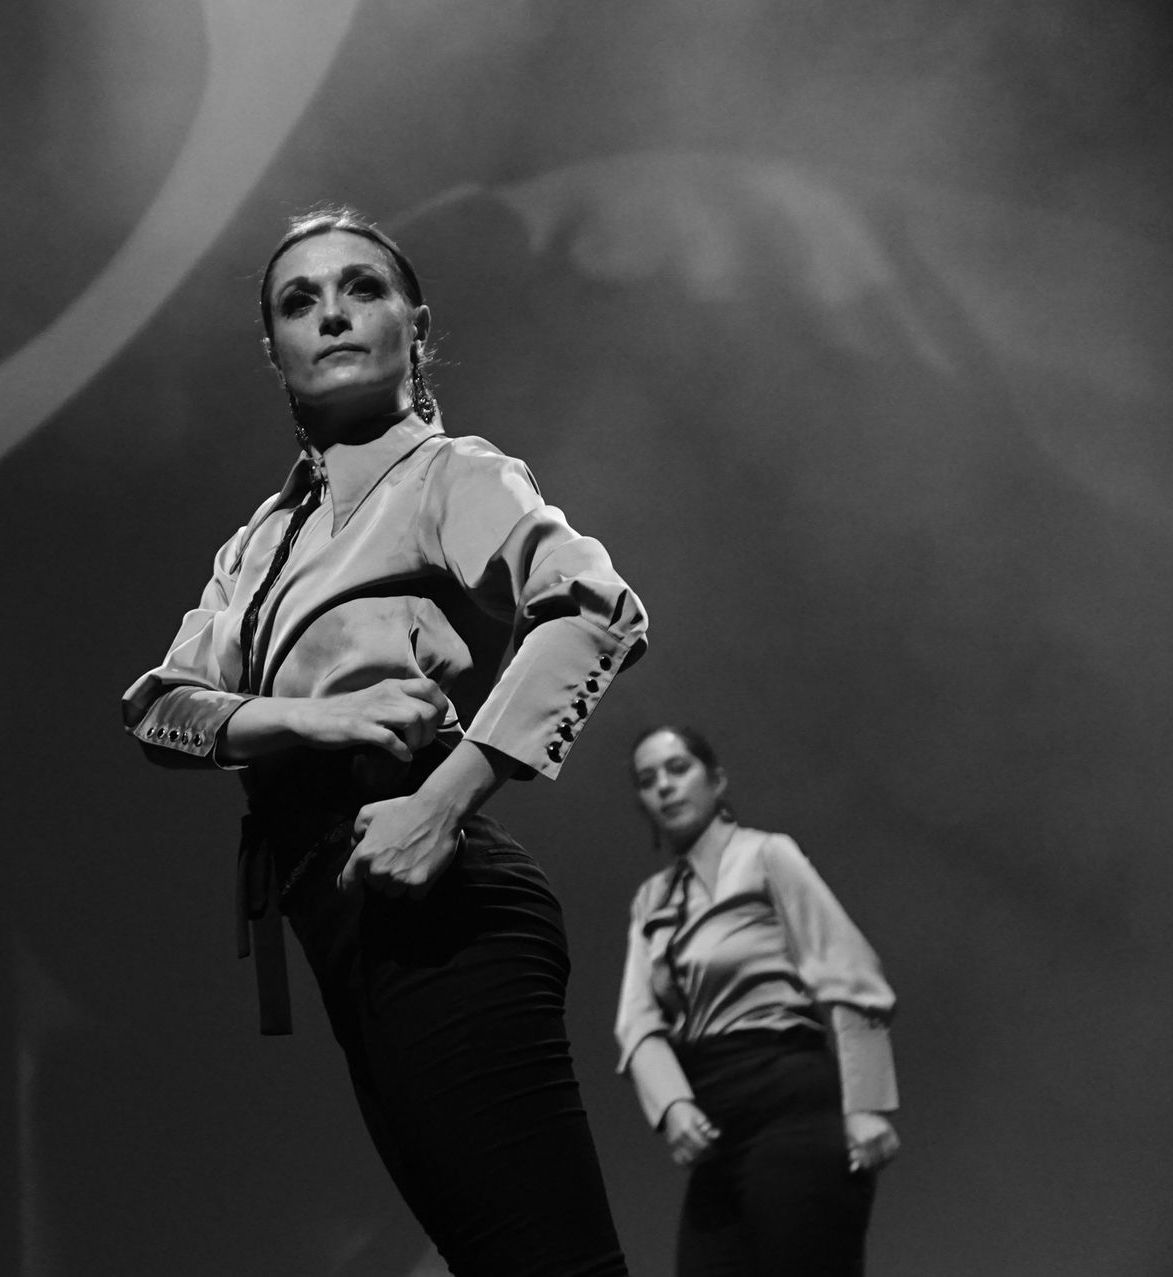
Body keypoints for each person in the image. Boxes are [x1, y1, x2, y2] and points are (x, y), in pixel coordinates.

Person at [123, 207, 646, 1276]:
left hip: (441, 896)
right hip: (346, 913)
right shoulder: (259, 543)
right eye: (299, 302)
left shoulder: (453, 475)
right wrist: (308, 717)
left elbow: (597, 608)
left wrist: (443, 801)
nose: (332, 314)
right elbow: (159, 709)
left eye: (360, 288)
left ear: (416, 324)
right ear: (273, 350)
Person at [616, 725, 901, 1276]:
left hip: (789, 1096)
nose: (665, 788)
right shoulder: (651, 901)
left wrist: (866, 1104)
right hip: (716, 1118)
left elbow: (849, 971)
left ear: (716, 779)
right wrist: (672, 1103)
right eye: (648, 780)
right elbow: (637, 1022)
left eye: (679, 770)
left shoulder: (767, 856)